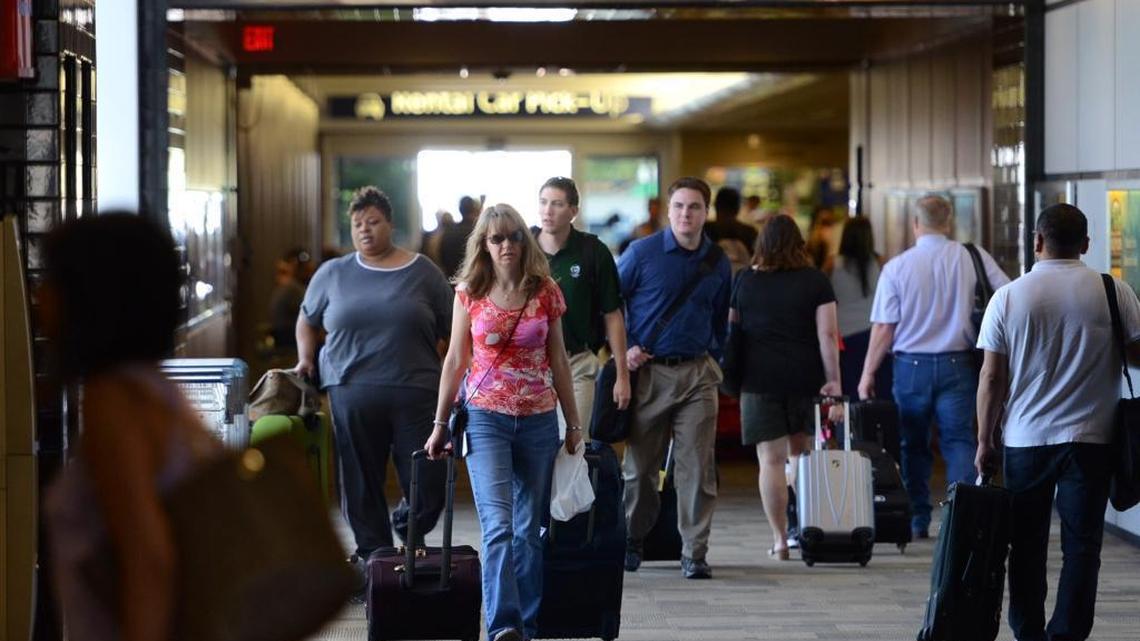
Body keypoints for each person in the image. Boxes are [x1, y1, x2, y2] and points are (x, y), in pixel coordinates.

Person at [43, 213, 223, 641]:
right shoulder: (158, 392)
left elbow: (149, 561)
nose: (40, 295)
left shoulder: (114, 405)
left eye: (53, 279)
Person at [975, 204, 1140, 641]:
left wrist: (983, 439)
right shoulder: (1113, 291)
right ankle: (1067, 634)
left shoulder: (1009, 296)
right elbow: (1137, 354)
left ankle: (1028, 632)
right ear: (1086, 244)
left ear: (1037, 241)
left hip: (1025, 440)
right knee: (1082, 546)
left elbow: (992, 376)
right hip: (1092, 439)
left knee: (1025, 545)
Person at [425, 203, 582, 641]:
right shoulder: (469, 291)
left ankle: (528, 625)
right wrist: (440, 423)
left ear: (524, 240)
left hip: (537, 419)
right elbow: (455, 359)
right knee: (499, 528)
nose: (507, 244)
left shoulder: (546, 290)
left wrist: (573, 424)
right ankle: (503, 626)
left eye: (514, 236)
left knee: (529, 531)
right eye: (497, 238)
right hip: (485, 419)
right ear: (484, 245)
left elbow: (559, 361)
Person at [296, 186, 453, 583]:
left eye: (373, 222)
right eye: (357, 224)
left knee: (428, 477)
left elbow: (455, 326)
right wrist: (306, 357)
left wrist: (452, 369)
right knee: (359, 478)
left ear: (391, 224)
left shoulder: (422, 271)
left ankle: (409, 523)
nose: (365, 230)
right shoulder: (333, 273)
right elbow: (307, 319)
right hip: (350, 389)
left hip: (417, 391)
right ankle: (375, 558)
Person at [858, 193, 1009, 539]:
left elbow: (884, 327)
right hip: (959, 363)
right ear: (949, 222)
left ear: (915, 224)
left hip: (910, 366)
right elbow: (1006, 295)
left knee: (913, 444)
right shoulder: (972, 257)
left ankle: (918, 518)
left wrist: (867, 373)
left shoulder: (897, 267)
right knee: (959, 442)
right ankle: (961, 519)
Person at [619, 176, 732, 579]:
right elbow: (611, 307)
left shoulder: (718, 261)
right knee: (640, 470)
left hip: (698, 374)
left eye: (695, 207)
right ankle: (632, 537)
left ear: (706, 212)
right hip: (649, 373)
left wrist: (712, 357)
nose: (687, 214)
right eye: (680, 206)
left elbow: (721, 318)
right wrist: (626, 348)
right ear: (668, 212)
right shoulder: (641, 253)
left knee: (697, 468)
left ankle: (694, 552)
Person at [728, 214, 841, 560]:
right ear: (799, 244)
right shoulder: (816, 281)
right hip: (804, 378)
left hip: (758, 380)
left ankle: (779, 539)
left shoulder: (745, 280)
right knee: (800, 457)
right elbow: (827, 335)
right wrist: (833, 380)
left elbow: (733, 330)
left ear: (762, 244)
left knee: (770, 461)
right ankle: (802, 529)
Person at [534, 176, 631, 436]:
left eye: (556, 204)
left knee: (574, 445)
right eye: (543, 202)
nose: (547, 210)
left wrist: (622, 375)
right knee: (536, 451)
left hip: (576, 361)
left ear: (573, 212)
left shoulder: (593, 251)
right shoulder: (523, 249)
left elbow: (612, 314)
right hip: (530, 366)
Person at [822, 216, 892, 397]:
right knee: (877, 392)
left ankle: (850, 425)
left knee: (850, 392)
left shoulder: (832, 264)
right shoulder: (880, 262)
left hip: (844, 338)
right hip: (875, 336)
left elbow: (821, 298)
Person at [268, 247, 312, 348]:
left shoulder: (290, 286)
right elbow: (311, 313)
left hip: (285, 336)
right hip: (290, 339)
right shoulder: (292, 288)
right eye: (305, 268)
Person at [438, 195, 481, 279]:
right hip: (474, 281)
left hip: (452, 280)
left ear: (460, 210)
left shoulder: (449, 232)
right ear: (473, 209)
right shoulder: (477, 232)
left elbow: (442, 257)